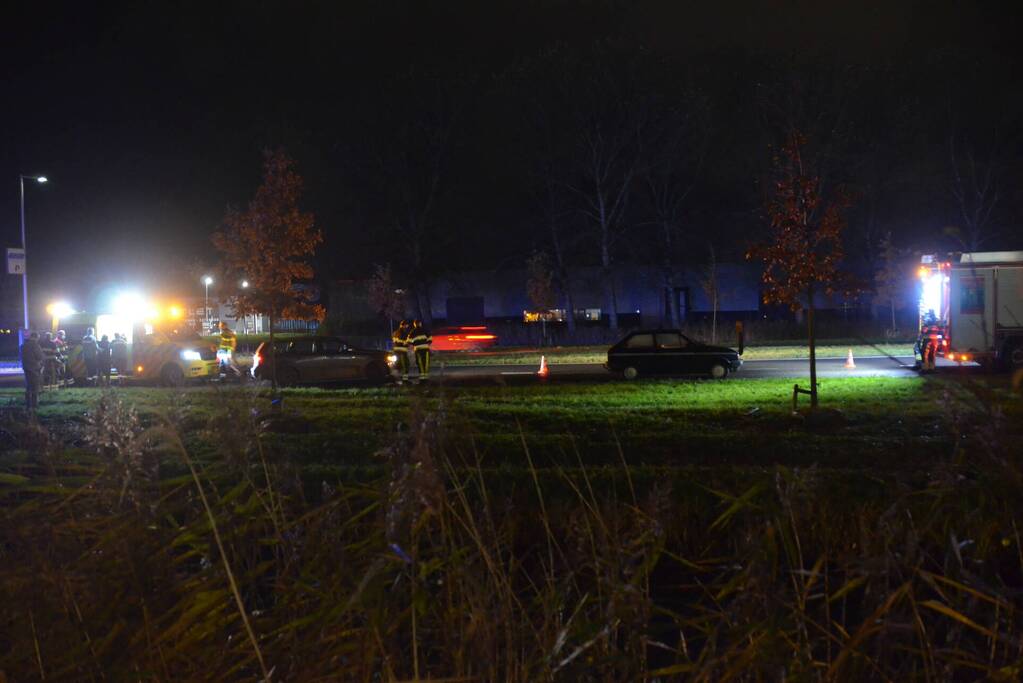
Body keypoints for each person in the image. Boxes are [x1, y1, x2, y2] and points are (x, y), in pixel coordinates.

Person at [19, 332, 45, 412]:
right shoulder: (35, 345)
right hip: (35, 368)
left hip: (26, 368)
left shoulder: (23, 346)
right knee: (35, 387)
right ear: (36, 337)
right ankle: (34, 405)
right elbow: (40, 356)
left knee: (28, 387)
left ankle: (28, 405)